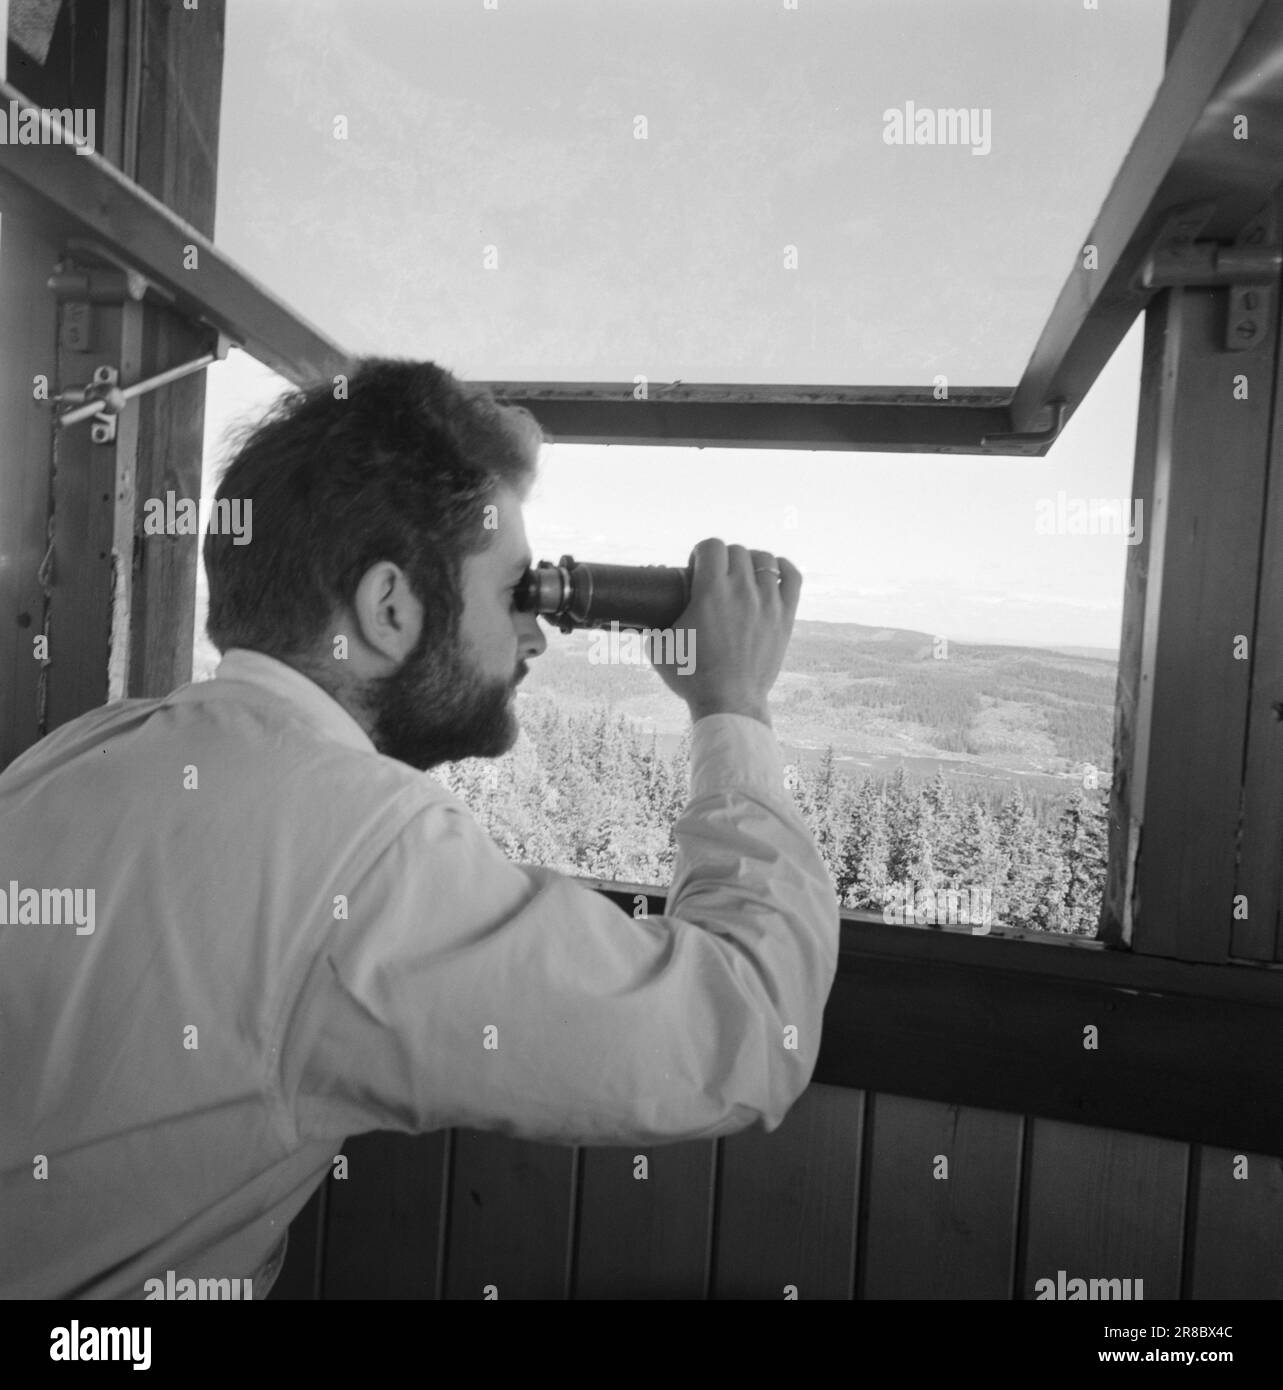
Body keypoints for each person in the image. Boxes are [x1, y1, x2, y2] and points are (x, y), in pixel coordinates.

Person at [0, 359, 839, 1300]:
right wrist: (731, 702)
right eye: (518, 594)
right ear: (390, 608)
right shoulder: (364, 855)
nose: (536, 637)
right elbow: (755, 1030)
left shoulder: (83, 748)